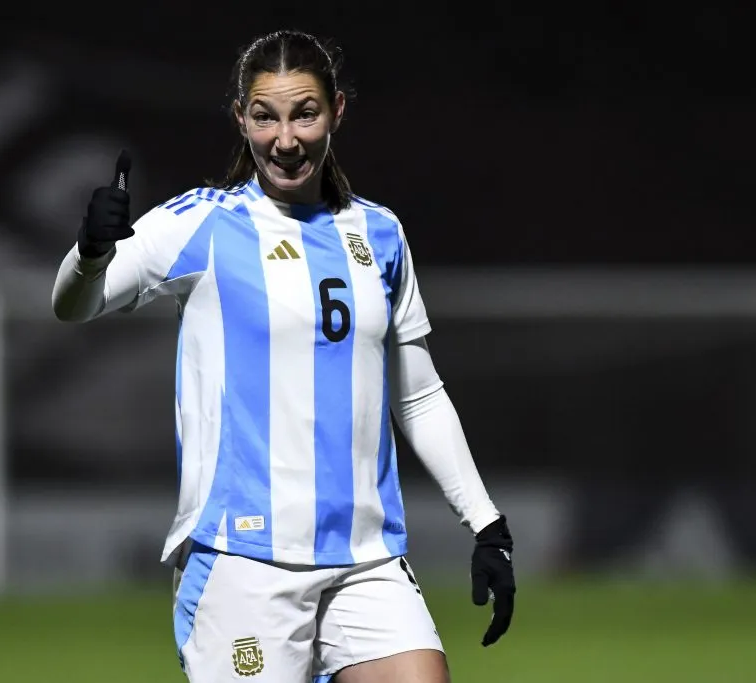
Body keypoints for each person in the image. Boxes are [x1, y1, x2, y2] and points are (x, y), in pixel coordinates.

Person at [52, 29, 516, 683]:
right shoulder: (201, 224)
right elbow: (74, 304)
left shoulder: (378, 233)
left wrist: (486, 522)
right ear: (241, 119)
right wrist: (89, 253)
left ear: (336, 114)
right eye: (265, 116)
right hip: (244, 561)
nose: (285, 137)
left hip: (366, 558)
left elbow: (415, 393)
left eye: (304, 113)